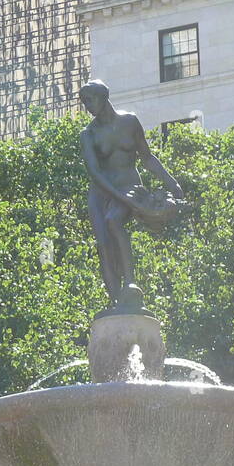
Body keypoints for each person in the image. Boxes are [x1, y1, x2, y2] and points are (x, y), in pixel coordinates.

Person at [79, 80, 184, 309]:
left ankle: (131, 284)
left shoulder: (130, 122)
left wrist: (173, 184)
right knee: (104, 245)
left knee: (113, 220)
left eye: (90, 100)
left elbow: (147, 158)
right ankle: (116, 302)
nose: (87, 106)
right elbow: (95, 172)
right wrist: (119, 196)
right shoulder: (88, 135)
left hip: (129, 186)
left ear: (104, 96)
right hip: (102, 192)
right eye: (84, 102)